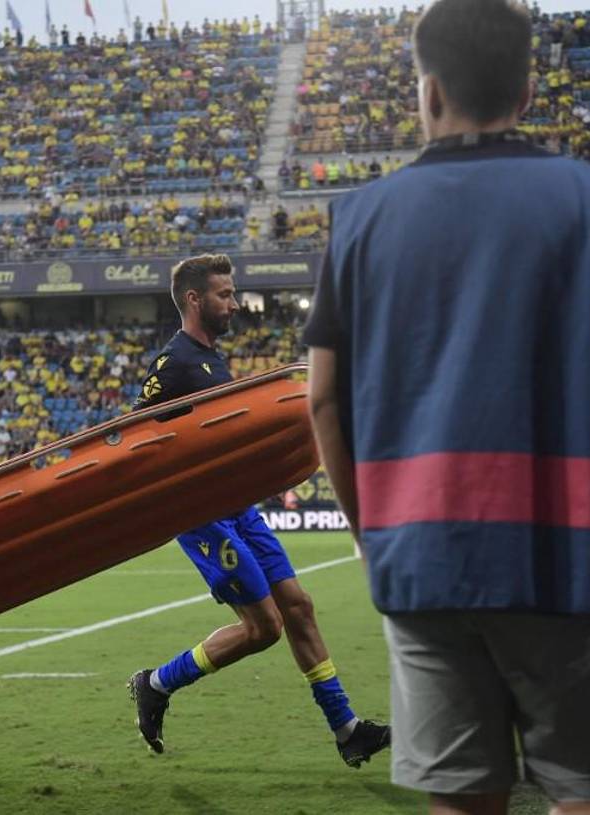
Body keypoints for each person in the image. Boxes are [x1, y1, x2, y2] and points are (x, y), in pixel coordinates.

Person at [303, 1, 590, 813]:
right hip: (563, 552)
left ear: (428, 91)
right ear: (529, 92)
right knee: (589, 789)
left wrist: (367, 533)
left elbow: (323, 399)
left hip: (423, 560)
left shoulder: (356, 222)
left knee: (463, 797)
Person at [126, 253, 391, 769]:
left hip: (238, 506)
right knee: (264, 628)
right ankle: (156, 683)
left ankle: (348, 731)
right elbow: (136, 434)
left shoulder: (213, 361)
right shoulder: (174, 362)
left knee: (299, 606)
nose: (234, 303)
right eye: (224, 294)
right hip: (202, 515)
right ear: (194, 299)